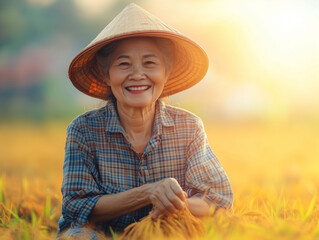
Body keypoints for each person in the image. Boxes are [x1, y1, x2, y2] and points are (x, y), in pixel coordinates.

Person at [57, 3, 233, 238]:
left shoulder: (189, 127)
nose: (138, 74)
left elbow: (218, 199)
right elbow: (76, 206)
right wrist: (149, 193)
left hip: (166, 231)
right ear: (106, 74)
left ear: (166, 72)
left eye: (150, 63)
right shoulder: (83, 130)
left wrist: (173, 201)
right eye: (123, 64)